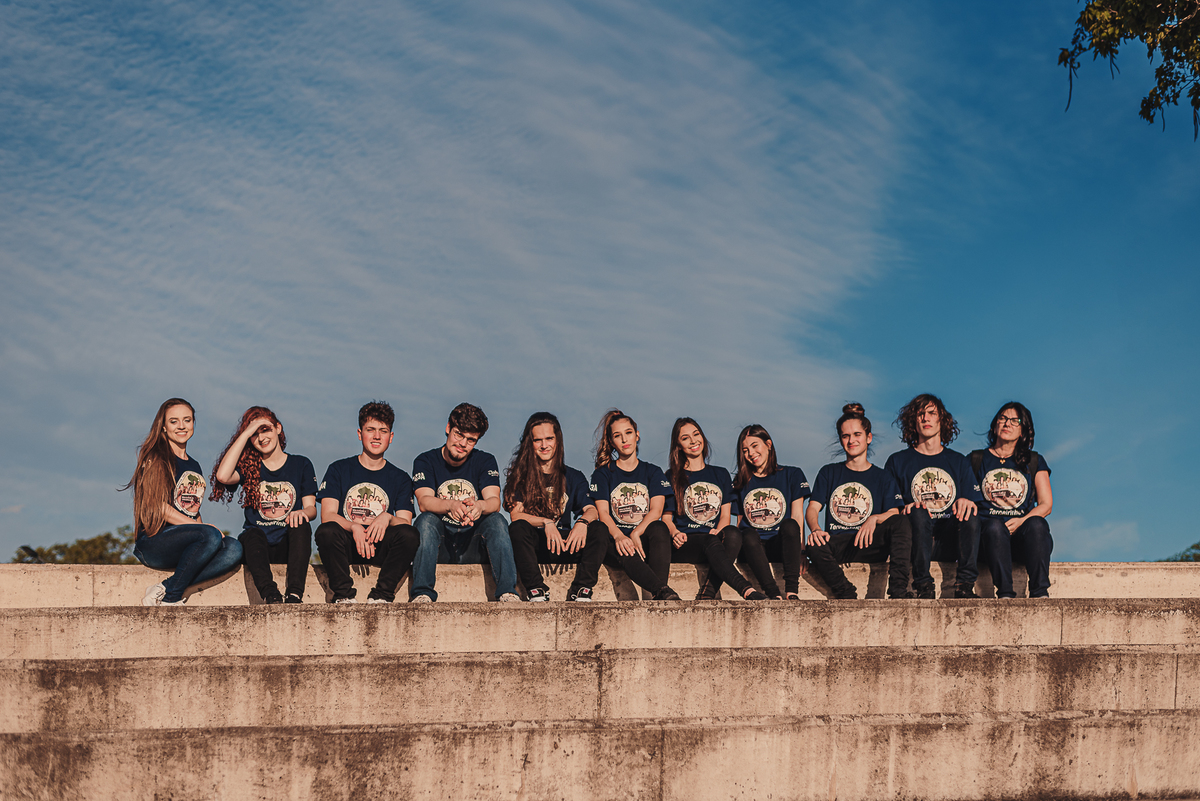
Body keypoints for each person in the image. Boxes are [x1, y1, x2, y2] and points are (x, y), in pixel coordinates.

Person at [121, 398, 243, 606]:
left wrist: (209, 537)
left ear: (193, 423)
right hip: (154, 543)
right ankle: (172, 598)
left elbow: (193, 510)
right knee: (210, 534)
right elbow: (157, 507)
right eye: (174, 421)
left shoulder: (194, 465)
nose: (181, 426)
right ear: (163, 426)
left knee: (233, 548)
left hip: (188, 542)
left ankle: (166, 587)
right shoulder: (156, 457)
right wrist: (206, 531)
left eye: (187, 420)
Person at [313, 400, 420, 603]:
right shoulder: (338, 469)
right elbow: (327, 515)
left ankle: (381, 596)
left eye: (383, 431)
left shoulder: (401, 478)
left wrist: (387, 517)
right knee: (326, 531)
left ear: (391, 437)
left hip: (380, 546)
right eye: (370, 430)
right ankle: (344, 596)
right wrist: (354, 527)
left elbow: (406, 522)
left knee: (410, 535)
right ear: (360, 433)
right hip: (347, 545)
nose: (377, 436)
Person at [411, 403, 519, 602]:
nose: (462, 443)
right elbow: (424, 502)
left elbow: (494, 501)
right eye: (459, 435)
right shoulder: (425, 460)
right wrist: (451, 505)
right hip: (441, 544)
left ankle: (508, 592)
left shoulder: (485, 460)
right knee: (425, 521)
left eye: (471, 440)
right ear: (448, 428)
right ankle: (422, 594)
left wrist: (480, 506)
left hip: (473, 543)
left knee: (496, 520)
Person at [804, 404, 913, 599]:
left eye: (857, 434)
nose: (851, 440)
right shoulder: (829, 472)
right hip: (840, 544)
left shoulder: (883, 477)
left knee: (902, 521)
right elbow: (812, 508)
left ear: (868, 437)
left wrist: (874, 518)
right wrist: (816, 529)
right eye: (845, 436)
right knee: (813, 544)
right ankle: (845, 592)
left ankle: (898, 591)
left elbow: (894, 513)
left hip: (870, 543)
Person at [210, 406, 317, 604]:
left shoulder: (301, 464)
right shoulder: (250, 468)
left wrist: (302, 512)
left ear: (278, 428)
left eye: (265, 429)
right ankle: (270, 595)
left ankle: (294, 595)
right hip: (257, 550)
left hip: (287, 545)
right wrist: (245, 434)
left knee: (302, 525)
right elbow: (223, 476)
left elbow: (312, 509)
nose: (261, 438)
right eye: (254, 434)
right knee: (251, 534)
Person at [884, 393, 982, 599]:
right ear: (913, 421)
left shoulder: (958, 461)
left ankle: (964, 586)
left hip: (949, 540)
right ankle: (923, 585)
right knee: (918, 512)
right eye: (920, 414)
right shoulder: (897, 461)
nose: (925, 418)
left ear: (941, 420)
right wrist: (905, 509)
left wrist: (966, 500)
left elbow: (975, 507)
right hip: (916, 541)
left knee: (971, 512)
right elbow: (889, 511)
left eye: (931, 413)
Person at [663, 418, 767, 600]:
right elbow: (666, 518)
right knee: (710, 540)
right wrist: (675, 533)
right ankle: (746, 589)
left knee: (733, 533)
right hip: (686, 543)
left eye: (696, 434)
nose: (693, 441)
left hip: (714, 541)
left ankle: (707, 594)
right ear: (678, 446)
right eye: (685, 438)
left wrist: (719, 531)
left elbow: (725, 515)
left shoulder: (720, 474)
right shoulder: (672, 475)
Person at [504, 412, 602, 601]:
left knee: (599, 528)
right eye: (537, 440)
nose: (544, 445)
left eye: (549, 438)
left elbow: (592, 510)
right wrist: (546, 522)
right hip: (538, 545)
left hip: (567, 544)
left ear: (558, 440)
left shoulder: (573, 476)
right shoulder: (520, 476)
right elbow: (516, 515)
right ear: (530, 443)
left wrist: (582, 523)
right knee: (517, 528)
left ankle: (581, 589)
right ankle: (536, 590)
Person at [586, 409, 682, 601]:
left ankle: (660, 597)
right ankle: (661, 591)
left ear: (637, 435)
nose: (624, 439)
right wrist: (620, 536)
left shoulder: (653, 472)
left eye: (628, 433)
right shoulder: (603, 474)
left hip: (642, 540)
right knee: (622, 546)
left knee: (659, 527)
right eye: (617, 436)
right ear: (611, 442)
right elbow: (603, 513)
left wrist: (636, 532)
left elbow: (656, 510)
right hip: (616, 541)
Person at [970, 402, 1054, 598]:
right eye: (1003, 418)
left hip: (1023, 540)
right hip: (988, 541)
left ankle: (1040, 593)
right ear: (994, 425)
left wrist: (1021, 522)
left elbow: (1046, 504)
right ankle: (1006, 594)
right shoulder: (976, 460)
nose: (1007, 423)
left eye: (1015, 420)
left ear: (1024, 430)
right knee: (994, 527)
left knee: (1037, 524)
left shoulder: (1034, 460)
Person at [732, 424, 810, 600]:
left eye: (755, 446)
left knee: (790, 524)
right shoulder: (740, 481)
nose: (751, 453)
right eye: (745, 450)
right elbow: (739, 522)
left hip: (780, 545)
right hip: (752, 548)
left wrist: (802, 552)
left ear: (768, 444)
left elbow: (798, 516)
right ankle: (773, 594)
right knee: (747, 534)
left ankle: (792, 592)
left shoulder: (792, 474)